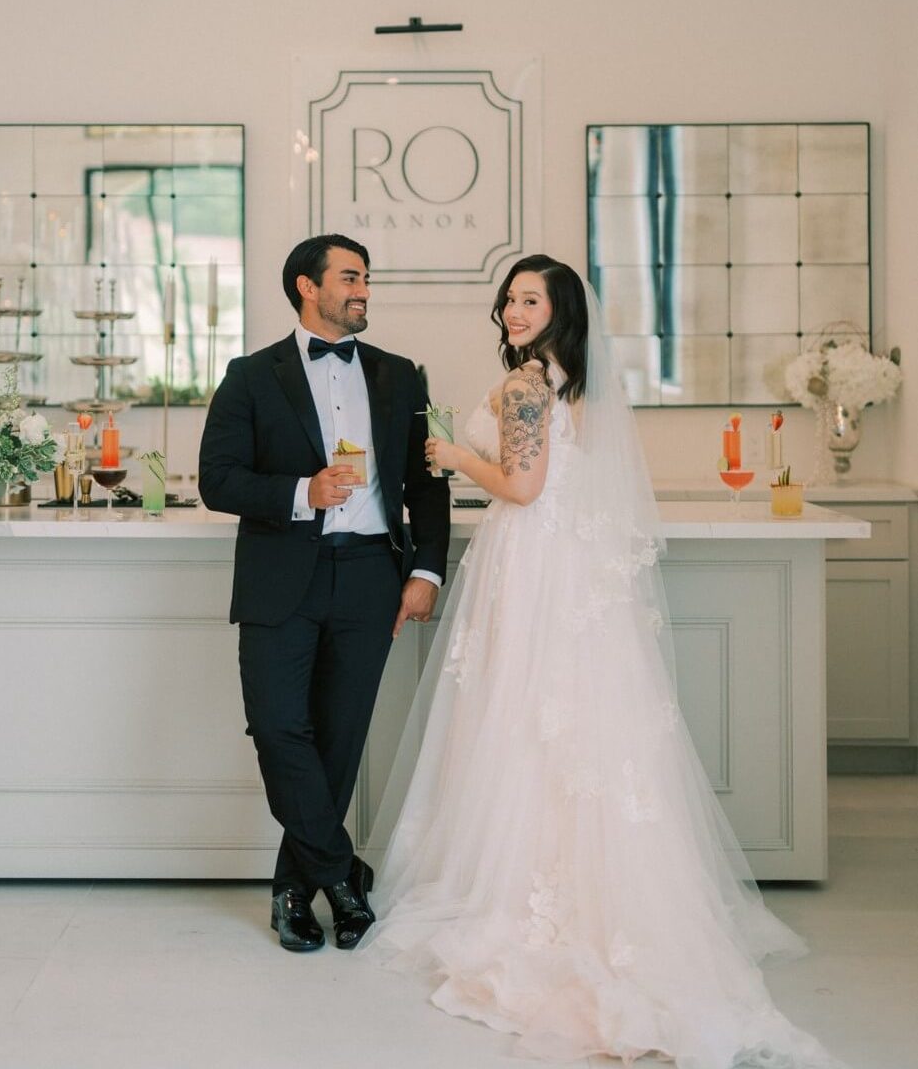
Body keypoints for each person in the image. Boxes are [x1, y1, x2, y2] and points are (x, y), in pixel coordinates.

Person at [360, 255, 845, 1068]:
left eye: (530, 299)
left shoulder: (526, 385)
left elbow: (523, 488)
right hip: (567, 570)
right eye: (508, 298)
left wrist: (450, 456)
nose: (513, 311)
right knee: (573, 726)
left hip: (532, 564)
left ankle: (525, 890)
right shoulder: (576, 384)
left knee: (523, 720)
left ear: (562, 310)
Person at [198, 234, 451, 954]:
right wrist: (300, 492)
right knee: (277, 727)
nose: (363, 290)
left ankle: (292, 891)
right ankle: (341, 876)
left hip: (370, 577)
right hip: (280, 576)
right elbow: (217, 479)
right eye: (350, 277)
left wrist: (426, 572)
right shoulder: (250, 376)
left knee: (338, 741)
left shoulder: (401, 376)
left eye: (366, 277)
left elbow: (427, 484)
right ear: (307, 287)